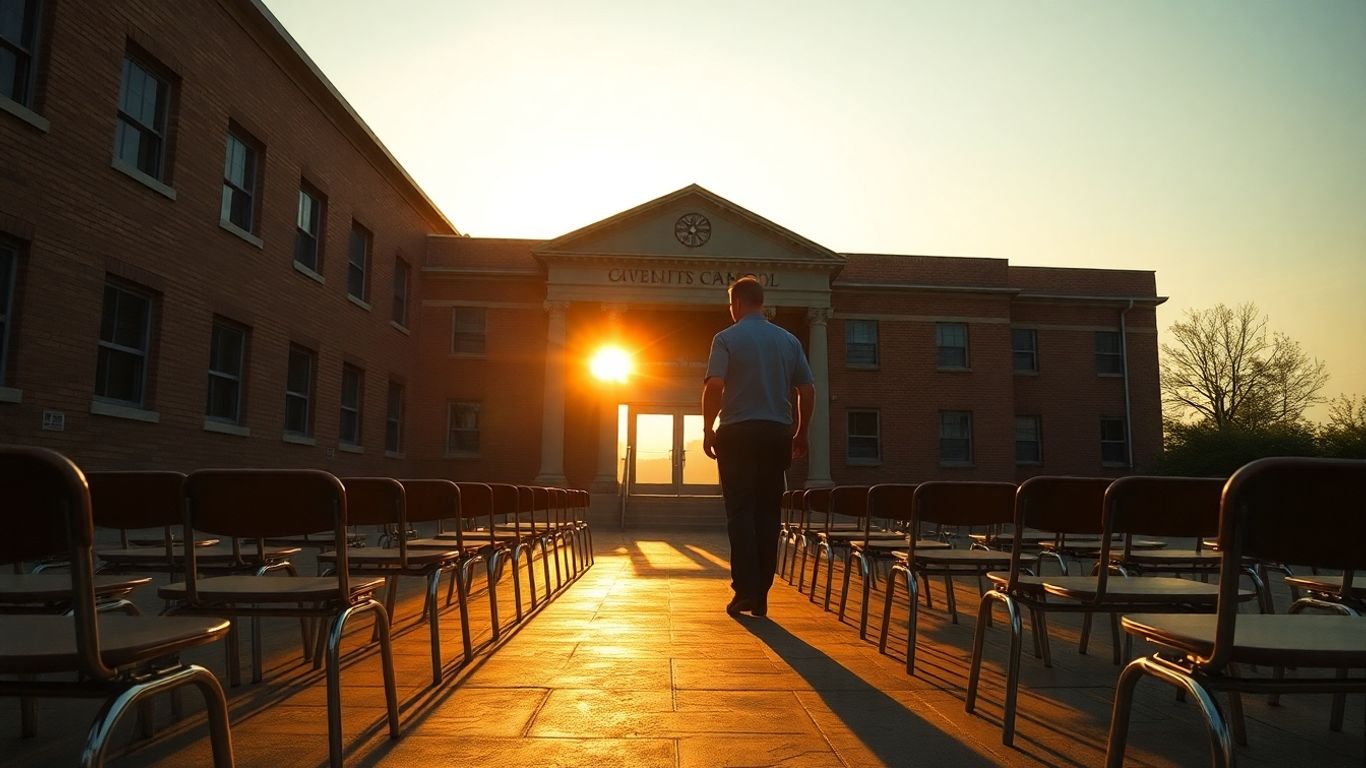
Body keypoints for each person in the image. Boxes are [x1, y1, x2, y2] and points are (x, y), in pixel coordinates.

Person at [702, 275, 815, 617]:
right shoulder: (788, 340)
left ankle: (745, 590)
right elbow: (807, 389)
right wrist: (801, 432)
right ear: (761, 302)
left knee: (740, 513)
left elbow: (714, 385)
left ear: (736, 303)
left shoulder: (726, 338)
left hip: (737, 433)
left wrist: (708, 429)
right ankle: (762, 593)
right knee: (768, 514)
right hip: (775, 433)